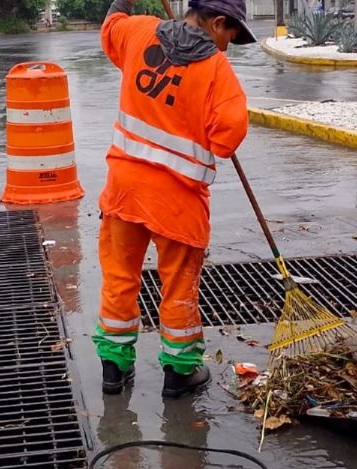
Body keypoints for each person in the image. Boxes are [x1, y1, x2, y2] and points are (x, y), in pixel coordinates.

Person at [94, 0, 255, 398]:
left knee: (119, 280)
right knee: (179, 288)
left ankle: (114, 369)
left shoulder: (139, 32)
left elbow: (111, 27)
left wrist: (121, 4)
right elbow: (226, 138)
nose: (228, 46)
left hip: (124, 193)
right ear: (217, 22)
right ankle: (179, 373)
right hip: (178, 204)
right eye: (230, 35)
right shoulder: (217, 70)